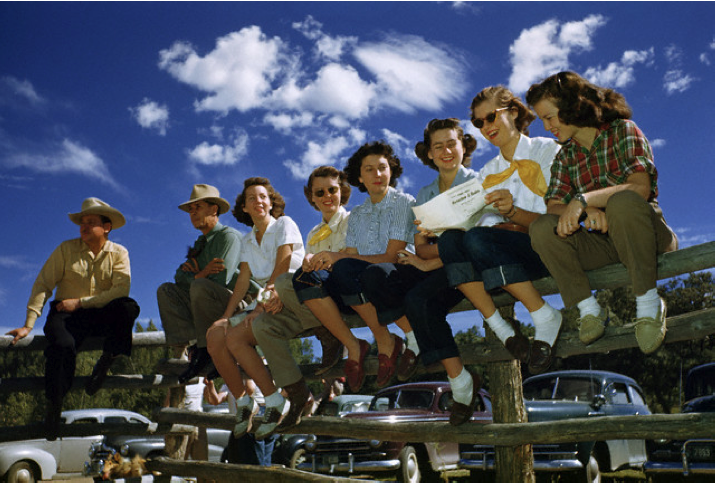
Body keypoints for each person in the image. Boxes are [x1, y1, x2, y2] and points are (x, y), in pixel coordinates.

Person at [526, 71, 678, 354]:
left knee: (622, 201)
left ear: (572, 107)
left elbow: (640, 188)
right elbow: (554, 206)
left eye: (549, 117)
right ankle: (590, 309)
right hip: (605, 245)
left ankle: (648, 305)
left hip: (647, 236)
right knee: (541, 227)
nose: (546, 127)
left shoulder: (623, 130)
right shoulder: (565, 157)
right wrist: (587, 211)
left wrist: (585, 199)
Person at [5, 198, 140, 440]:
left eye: (91, 222)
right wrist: (28, 324)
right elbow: (43, 284)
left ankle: (107, 360)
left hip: (97, 313)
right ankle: (54, 406)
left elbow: (121, 290)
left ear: (106, 227)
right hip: (65, 316)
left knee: (128, 307)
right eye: (82, 222)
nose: (84, 227)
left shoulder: (120, 253)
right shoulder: (65, 249)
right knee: (62, 347)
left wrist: (80, 302)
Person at [249, 166, 365, 435]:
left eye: (332, 190)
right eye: (319, 192)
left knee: (282, 282)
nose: (327, 196)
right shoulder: (312, 234)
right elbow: (307, 274)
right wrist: (281, 298)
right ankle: (297, 392)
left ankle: (332, 335)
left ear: (343, 192)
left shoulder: (355, 220)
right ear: (311, 198)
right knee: (263, 325)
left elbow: (356, 260)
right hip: (316, 302)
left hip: (346, 295)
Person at [295, 141, 418, 393]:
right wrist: (324, 260)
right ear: (360, 177)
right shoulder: (360, 214)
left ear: (391, 171)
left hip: (399, 273)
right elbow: (350, 256)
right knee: (307, 278)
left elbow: (392, 257)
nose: (377, 175)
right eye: (369, 170)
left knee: (367, 272)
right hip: (367, 279)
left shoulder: (402, 202)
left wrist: (336, 257)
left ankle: (404, 340)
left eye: (382, 168)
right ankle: (357, 343)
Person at [206, 177, 304, 440]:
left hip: (289, 295)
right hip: (264, 298)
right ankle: (244, 402)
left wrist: (259, 308)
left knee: (237, 337)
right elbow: (242, 279)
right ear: (245, 208)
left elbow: (282, 266)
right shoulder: (248, 240)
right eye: (251, 198)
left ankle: (274, 401)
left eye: (263, 196)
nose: (258, 201)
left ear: (271, 202)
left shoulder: (285, 224)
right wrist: (226, 317)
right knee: (215, 336)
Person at [157, 184, 246, 384]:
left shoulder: (228, 237)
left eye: (198, 207)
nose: (193, 213)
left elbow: (221, 279)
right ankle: (197, 348)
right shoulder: (200, 244)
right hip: (206, 303)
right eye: (191, 209)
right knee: (166, 290)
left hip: (236, 305)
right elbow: (179, 276)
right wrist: (200, 275)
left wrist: (198, 276)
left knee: (199, 287)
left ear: (214, 209)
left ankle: (209, 351)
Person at [203, 378, 276, 466]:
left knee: (256, 464)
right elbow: (215, 401)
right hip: (240, 425)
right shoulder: (231, 381)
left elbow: (250, 389)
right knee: (240, 462)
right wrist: (210, 386)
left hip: (254, 420)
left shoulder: (254, 378)